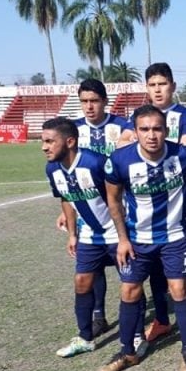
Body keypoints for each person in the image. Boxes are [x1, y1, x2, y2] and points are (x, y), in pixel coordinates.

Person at [102, 104, 186, 371]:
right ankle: (127, 351)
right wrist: (122, 239)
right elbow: (112, 199)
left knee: (179, 290)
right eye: (144, 129)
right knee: (129, 291)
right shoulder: (120, 160)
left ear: (166, 130)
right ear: (135, 132)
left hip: (174, 237)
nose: (151, 135)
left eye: (157, 128)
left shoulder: (183, 155)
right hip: (137, 239)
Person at [43, 117, 129, 358]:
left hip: (116, 233)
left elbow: (117, 199)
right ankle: (84, 337)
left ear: (69, 141)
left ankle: (135, 335)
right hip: (90, 236)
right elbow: (66, 199)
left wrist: (124, 237)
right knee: (81, 281)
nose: (44, 147)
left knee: (130, 284)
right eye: (43, 141)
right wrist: (72, 234)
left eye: (50, 141)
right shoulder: (52, 169)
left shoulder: (95, 163)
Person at [141, 62, 186, 349]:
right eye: (152, 85)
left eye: (162, 84)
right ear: (147, 88)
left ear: (173, 86)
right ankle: (162, 319)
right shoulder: (140, 116)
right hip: (150, 205)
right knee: (154, 262)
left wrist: (140, 142)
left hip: (185, 202)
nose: (158, 90)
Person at [70, 78, 136, 338]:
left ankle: (135, 315)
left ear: (105, 101)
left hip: (121, 205)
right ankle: (98, 314)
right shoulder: (72, 131)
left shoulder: (123, 126)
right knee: (92, 263)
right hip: (89, 207)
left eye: (94, 101)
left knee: (127, 261)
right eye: (84, 101)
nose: (89, 106)